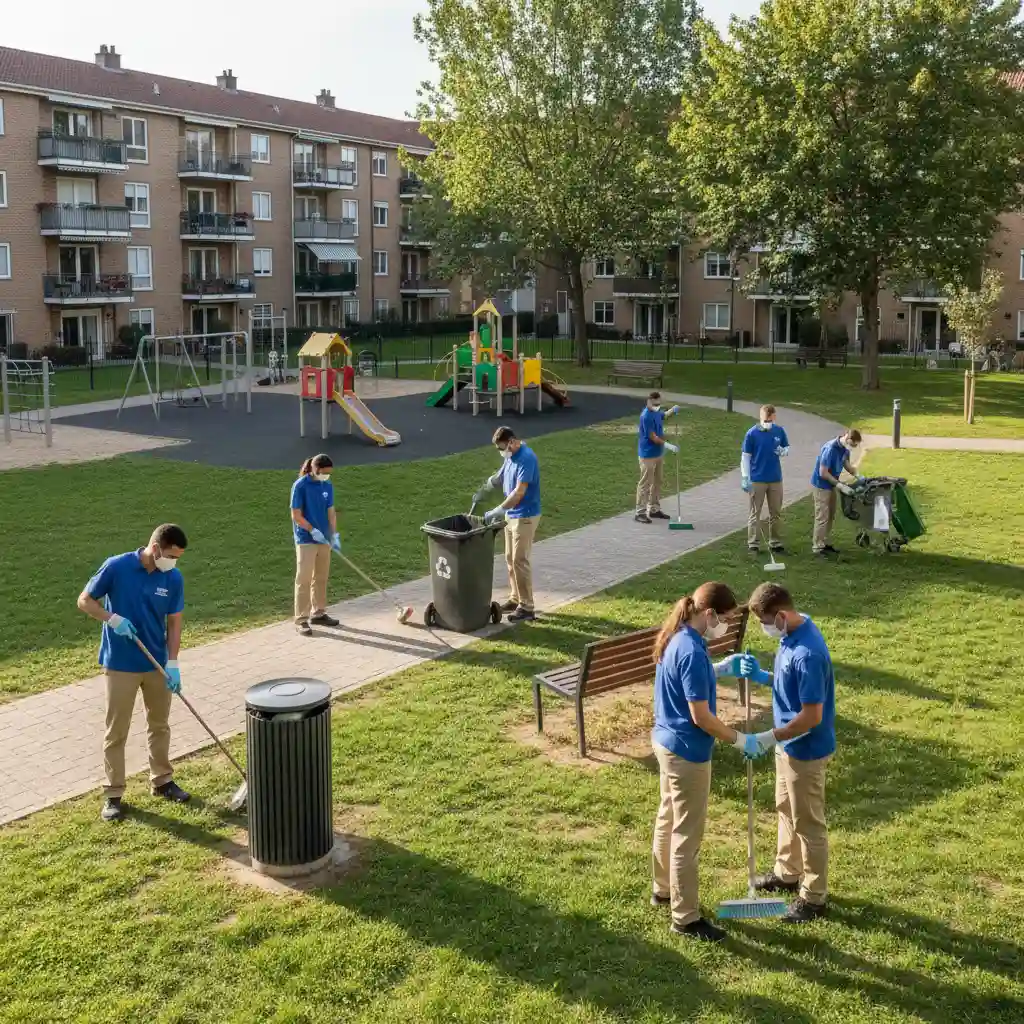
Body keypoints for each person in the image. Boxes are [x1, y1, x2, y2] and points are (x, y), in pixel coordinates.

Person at [650, 581, 762, 943]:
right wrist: (740, 738)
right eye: (727, 618)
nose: (727, 624)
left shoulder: (678, 636)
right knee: (687, 834)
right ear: (709, 614)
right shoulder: (693, 651)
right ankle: (685, 917)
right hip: (687, 752)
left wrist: (721, 668)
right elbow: (702, 716)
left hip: (665, 741)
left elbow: (688, 681)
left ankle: (662, 890)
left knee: (668, 818)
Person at [76, 523, 191, 822]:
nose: (173, 562)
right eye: (170, 556)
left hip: (156, 663)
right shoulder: (116, 567)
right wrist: (111, 618)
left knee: (160, 725)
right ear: (155, 549)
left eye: (177, 557)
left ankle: (162, 780)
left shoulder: (173, 577)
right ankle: (113, 794)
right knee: (117, 731)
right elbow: (85, 601)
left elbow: (174, 622)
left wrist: (173, 662)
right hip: (120, 664)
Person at [739, 582, 837, 923]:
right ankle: (787, 872)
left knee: (808, 823)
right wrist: (763, 676)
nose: (765, 629)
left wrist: (768, 737)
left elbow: (811, 716)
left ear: (781, 615)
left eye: (766, 622)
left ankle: (813, 896)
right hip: (787, 745)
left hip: (805, 749)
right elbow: (787, 682)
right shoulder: (790, 634)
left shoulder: (808, 652)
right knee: (785, 809)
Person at [474, 426, 541, 622]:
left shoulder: (527, 458)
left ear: (512, 442)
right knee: (510, 558)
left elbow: (519, 493)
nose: (502, 452)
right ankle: (515, 598)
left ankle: (527, 607)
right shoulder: (511, 456)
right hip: (512, 515)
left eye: (502, 448)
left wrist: (498, 510)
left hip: (525, 515)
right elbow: (500, 476)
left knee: (520, 560)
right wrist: (485, 488)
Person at [291, 453, 341, 636]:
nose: (326, 476)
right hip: (306, 540)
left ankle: (318, 613)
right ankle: (301, 619)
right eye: (324, 472)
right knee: (303, 579)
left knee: (321, 577)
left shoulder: (326, 484)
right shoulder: (300, 486)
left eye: (329, 473)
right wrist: (313, 530)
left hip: (324, 540)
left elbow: (331, 511)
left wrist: (333, 535)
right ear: (315, 469)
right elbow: (296, 515)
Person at [741, 403, 790, 553]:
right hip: (757, 479)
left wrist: (783, 451)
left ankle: (775, 542)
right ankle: (753, 543)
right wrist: (745, 477)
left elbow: (787, 448)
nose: (769, 423)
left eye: (771, 420)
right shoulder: (752, 434)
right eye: (766, 420)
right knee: (755, 513)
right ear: (761, 417)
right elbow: (745, 457)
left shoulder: (779, 431)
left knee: (775, 512)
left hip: (775, 478)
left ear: (774, 417)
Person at [809, 427, 863, 556]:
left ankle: (824, 542)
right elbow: (823, 473)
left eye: (855, 446)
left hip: (832, 485)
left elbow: (846, 464)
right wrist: (840, 485)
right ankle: (817, 547)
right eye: (852, 444)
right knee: (822, 516)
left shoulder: (844, 449)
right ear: (847, 438)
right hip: (821, 485)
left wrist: (858, 475)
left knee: (831, 515)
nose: (852, 447)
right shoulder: (830, 448)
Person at [635, 391, 682, 524]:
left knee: (657, 481)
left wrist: (672, 410)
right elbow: (653, 437)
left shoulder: (656, 411)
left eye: (659, 404)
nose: (657, 406)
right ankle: (640, 512)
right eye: (655, 404)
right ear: (649, 402)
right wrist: (668, 445)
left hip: (658, 453)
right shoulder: (645, 416)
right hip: (647, 454)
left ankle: (654, 509)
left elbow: (662, 416)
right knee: (645, 483)